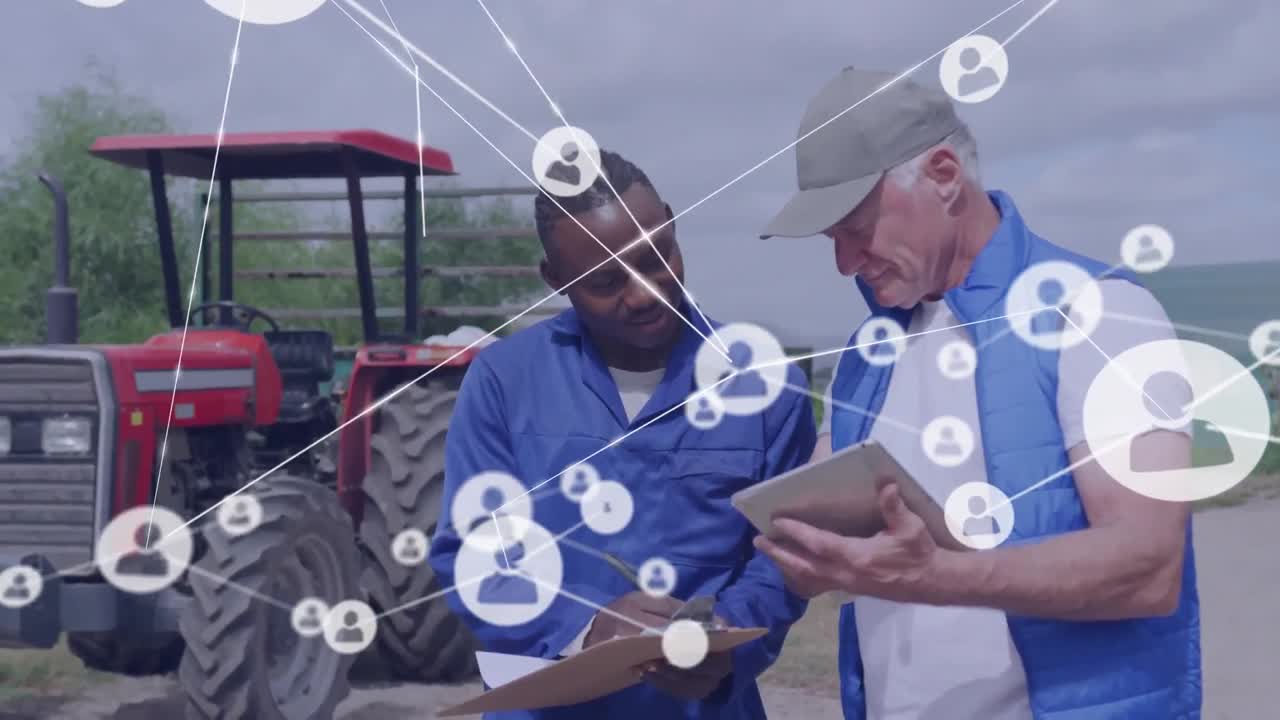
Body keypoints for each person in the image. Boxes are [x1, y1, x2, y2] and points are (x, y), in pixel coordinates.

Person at [755, 67, 1200, 719]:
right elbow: (825, 544)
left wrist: (935, 577)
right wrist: (802, 559)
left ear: (942, 174)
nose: (845, 263)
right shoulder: (865, 357)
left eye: (855, 225)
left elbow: (1148, 565)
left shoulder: (1102, 312)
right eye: (831, 240)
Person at [429, 150, 815, 720]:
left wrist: (730, 640)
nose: (644, 294)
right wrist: (581, 633)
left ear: (673, 223)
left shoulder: (764, 387)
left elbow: (788, 554)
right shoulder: (504, 382)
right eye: (606, 281)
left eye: (658, 257)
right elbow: (472, 554)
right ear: (556, 281)